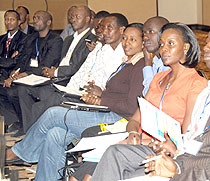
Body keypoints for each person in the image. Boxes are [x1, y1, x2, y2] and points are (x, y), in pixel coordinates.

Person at [91, 31, 210, 181]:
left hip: (198, 173)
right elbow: (201, 143)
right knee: (116, 161)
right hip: (188, 163)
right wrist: (178, 163)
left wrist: (177, 171)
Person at [6, 22, 144, 181]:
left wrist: (100, 100)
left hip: (118, 119)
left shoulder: (139, 66)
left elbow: (132, 106)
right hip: (106, 110)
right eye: (125, 39)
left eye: (133, 40)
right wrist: (99, 94)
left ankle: (20, 152)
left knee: (53, 114)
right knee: (55, 134)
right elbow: (118, 92)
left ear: (143, 42)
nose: (127, 43)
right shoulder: (127, 62)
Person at [90, 22, 208, 180]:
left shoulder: (196, 83)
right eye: (162, 44)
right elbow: (135, 119)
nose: (164, 49)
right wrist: (132, 132)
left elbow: (186, 134)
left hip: (167, 150)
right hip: (141, 143)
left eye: (170, 44)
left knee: (115, 153)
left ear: (186, 48)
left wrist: (153, 143)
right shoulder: (158, 78)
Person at [15, 5, 96, 134]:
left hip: (67, 81)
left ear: (87, 19)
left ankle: (33, 135)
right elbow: (61, 60)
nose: (73, 19)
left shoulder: (92, 40)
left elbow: (77, 67)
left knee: (38, 106)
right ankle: (28, 131)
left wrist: (56, 72)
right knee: (23, 89)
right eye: (72, 16)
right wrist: (52, 70)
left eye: (78, 17)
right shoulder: (69, 39)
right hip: (55, 77)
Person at [1, 10, 63, 136]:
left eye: (39, 18)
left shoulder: (56, 40)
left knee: (17, 91)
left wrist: (26, 74)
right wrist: (16, 72)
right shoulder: (31, 38)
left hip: (44, 78)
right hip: (27, 77)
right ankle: (25, 126)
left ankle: (28, 126)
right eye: (34, 18)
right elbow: (23, 59)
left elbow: (47, 65)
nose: (35, 20)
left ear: (48, 22)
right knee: (10, 89)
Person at [0, 10, 27, 131]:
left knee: (10, 93)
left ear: (19, 21)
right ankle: (11, 120)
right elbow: (9, 61)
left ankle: (14, 121)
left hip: (15, 76)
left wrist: (9, 60)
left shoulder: (25, 39)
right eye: (6, 19)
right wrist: (9, 60)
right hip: (2, 75)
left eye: (12, 19)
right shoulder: (1, 39)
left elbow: (16, 62)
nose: (9, 22)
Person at [142, 16, 170, 96]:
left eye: (151, 31)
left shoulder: (170, 64)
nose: (145, 37)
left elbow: (151, 95)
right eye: (144, 33)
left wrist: (147, 65)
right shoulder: (156, 61)